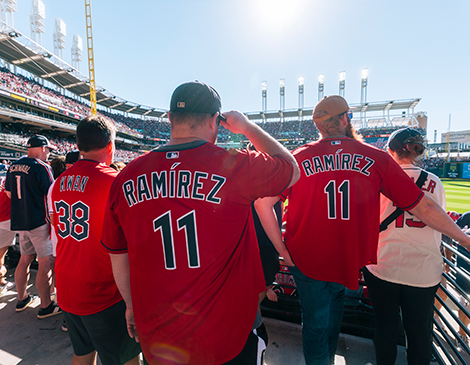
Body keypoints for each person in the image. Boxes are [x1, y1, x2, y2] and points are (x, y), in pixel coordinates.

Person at [255, 95, 470, 365]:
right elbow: (422, 207)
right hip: (347, 260)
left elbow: (263, 203)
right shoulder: (375, 156)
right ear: (346, 119)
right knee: (330, 324)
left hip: (305, 258)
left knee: (316, 326)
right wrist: (464, 238)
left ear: (318, 126)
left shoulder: (298, 157)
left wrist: (281, 248)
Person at [101, 81, 300, 365]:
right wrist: (245, 127)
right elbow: (292, 170)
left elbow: (117, 252)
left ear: (169, 118)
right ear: (214, 120)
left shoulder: (125, 176)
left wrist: (131, 304)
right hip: (226, 336)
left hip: (161, 337)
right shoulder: (235, 165)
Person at [51, 116, 142, 365]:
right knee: (127, 359)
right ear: (110, 146)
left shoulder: (59, 182)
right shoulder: (114, 182)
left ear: (78, 145)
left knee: (83, 353)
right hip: (102, 290)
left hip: (67, 284)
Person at [362, 128, 445, 364]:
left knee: (385, 328)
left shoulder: (378, 178)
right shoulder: (434, 181)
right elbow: (438, 223)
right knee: (419, 334)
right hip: (423, 270)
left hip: (383, 265)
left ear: (390, 151)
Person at [5, 135, 61, 318]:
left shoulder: (13, 165)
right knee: (46, 263)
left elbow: (8, 193)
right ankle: (45, 306)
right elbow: (52, 195)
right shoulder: (42, 167)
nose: (48, 153)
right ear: (42, 148)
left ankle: (22, 299)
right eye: (48, 149)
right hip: (38, 221)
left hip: (21, 221)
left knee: (24, 259)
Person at [0, 176, 16, 294]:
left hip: (5, 219)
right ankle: (1, 284)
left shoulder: (4, 178)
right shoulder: (14, 180)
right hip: (5, 220)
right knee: (0, 256)